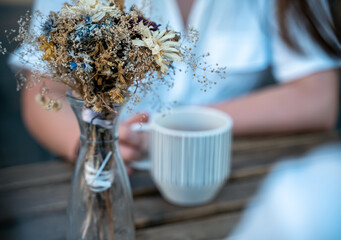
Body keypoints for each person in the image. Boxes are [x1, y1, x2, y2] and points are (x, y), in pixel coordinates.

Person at [10, 0, 341, 172]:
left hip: (237, 173)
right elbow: (43, 91)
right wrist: (96, 148)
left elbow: (318, 96)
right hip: (111, 178)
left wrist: (175, 130)